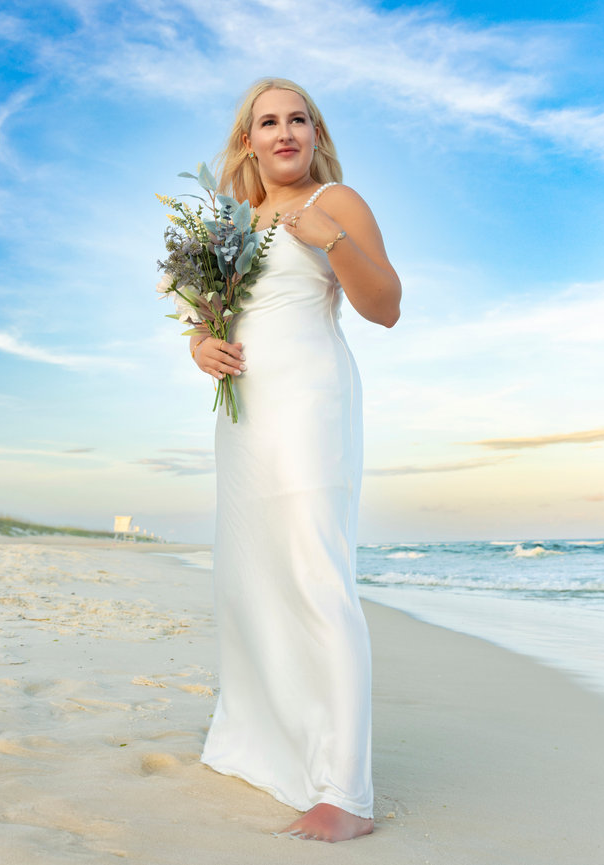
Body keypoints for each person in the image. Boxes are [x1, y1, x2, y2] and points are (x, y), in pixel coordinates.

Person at [189, 78, 401, 843]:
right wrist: (200, 345)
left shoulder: (336, 201)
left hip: (311, 405)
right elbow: (220, 316)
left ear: (315, 132)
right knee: (251, 578)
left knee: (315, 575)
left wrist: (329, 239)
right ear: (247, 140)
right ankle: (265, 749)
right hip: (246, 419)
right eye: (267, 121)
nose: (284, 132)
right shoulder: (234, 221)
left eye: (297, 119)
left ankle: (345, 791)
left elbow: (385, 306)